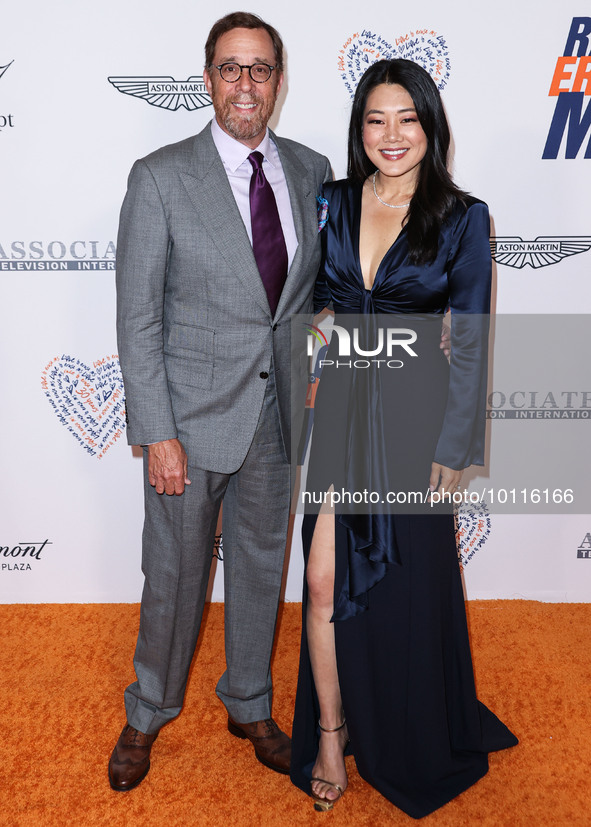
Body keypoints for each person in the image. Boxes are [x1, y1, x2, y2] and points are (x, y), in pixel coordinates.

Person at [109, 11, 331, 792]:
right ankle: (147, 712)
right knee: (172, 574)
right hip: (188, 423)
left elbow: (308, 294)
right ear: (207, 80)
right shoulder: (160, 175)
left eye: (260, 68)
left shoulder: (310, 170)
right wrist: (155, 431)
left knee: (262, 569)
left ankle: (247, 700)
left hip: (276, 418)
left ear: (277, 81)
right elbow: (137, 318)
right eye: (230, 68)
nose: (245, 83)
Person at [290, 59, 518, 818]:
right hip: (345, 405)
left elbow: (473, 337)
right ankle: (330, 731)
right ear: (359, 130)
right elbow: (321, 298)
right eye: (374, 120)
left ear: (429, 124)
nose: (391, 135)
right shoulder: (332, 201)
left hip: (418, 414)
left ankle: (414, 724)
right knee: (322, 578)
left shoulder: (461, 215)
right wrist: (319, 352)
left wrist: (457, 445)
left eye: (406, 119)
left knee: (404, 590)